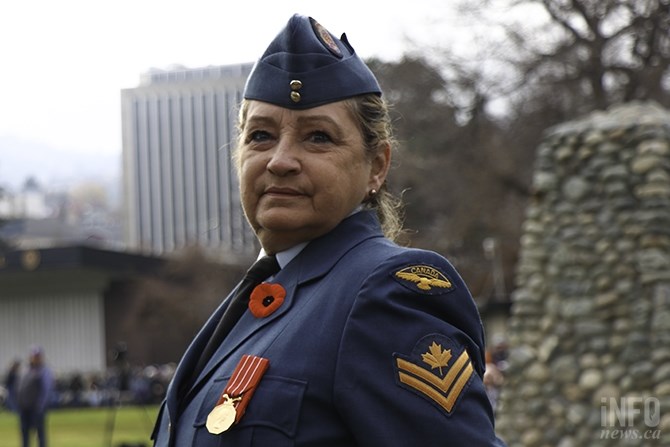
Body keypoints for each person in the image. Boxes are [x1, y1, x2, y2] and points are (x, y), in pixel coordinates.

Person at [151, 13, 506, 447]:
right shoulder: (256, 301)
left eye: (317, 137)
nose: (280, 160)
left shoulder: (387, 295)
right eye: (260, 135)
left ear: (376, 166)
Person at [17, 347, 54, 447]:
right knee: (24, 433)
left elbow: (47, 390)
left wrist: (40, 406)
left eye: (37, 356)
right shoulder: (26, 370)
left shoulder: (44, 371)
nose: (35, 358)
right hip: (24, 408)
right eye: (33, 356)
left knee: (40, 433)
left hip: (36, 408)